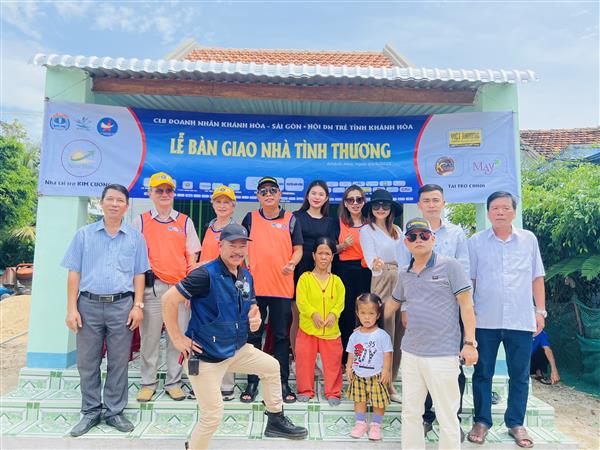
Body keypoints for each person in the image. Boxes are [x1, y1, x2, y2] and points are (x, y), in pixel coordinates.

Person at [161, 224, 308, 450]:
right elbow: (168, 300)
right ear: (220, 245)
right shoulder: (205, 274)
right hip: (206, 357)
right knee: (212, 416)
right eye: (232, 245)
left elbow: (252, 306)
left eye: (242, 246)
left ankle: (275, 419)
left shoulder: (245, 275)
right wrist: (177, 338)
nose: (238, 251)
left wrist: (255, 316)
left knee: (271, 366)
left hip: (236, 349)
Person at [62, 184, 150, 437]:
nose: (114, 204)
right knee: (87, 361)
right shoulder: (84, 235)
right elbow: (74, 273)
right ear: (101, 203)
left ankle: (114, 411)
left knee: (119, 361)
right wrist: (71, 308)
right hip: (88, 305)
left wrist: (138, 306)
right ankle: (91, 411)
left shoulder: (135, 238)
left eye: (119, 200)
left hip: (122, 305)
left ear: (126, 205)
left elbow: (139, 274)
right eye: (110, 199)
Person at [386, 218, 478, 449]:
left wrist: (470, 343)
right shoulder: (405, 274)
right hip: (411, 353)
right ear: (406, 242)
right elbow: (392, 304)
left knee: (447, 416)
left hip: (443, 354)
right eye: (413, 236)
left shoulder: (450, 266)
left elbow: (466, 306)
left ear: (433, 239)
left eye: (424, 235)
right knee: (410, 413)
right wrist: (364, 315)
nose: (418, 240)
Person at [467, 191, 546, 448]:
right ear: (488, 212)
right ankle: (482, 421)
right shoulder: (476, 242)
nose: (500, 212)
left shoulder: (528, 239)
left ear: (514, 211)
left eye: (505, 207)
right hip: (485, 320)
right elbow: (471, 280)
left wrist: (540, 311)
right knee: (482, 373)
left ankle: (516, 423)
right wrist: (468, 315)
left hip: (521, 319)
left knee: (520, 375)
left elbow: (537, 277)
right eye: (495, 208)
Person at [133, 172, 201, 403]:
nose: (164, 194)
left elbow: (191, 258)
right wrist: (137, 297)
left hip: (179, 290)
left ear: (174, 193)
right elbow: (135, 259)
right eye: (159, 190)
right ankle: (148, 383)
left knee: (177, 338)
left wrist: (189, 290)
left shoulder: (185, 221)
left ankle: (174, 382)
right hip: (152, 288)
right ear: (150, 193)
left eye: (168, 190)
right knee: (149, 338)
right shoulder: (141, 221)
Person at [241, 176, 303, 403]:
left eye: (272, 191)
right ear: (258, 196)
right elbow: (240, 246)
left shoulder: (290, 219)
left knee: (281, 337)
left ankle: (282, 382)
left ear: (279, 195)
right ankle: (252, 381)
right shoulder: (250, 218)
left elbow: (298, 249)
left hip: (282, 289)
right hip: (255, 289)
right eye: (263, 191)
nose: (268, 194)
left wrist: (292, 263)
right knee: (253, 335)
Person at [416, 183, 470, 436]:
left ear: (443, 203)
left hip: (450, 309)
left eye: (435, 200)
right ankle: (425, 417)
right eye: (426, 201)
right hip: (421, 311)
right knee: (422, 365)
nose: (431, 205)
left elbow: (465, 270)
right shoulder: (413, 232)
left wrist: (464, 307)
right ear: (419, 205)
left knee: (452, 366)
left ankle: (452, 420)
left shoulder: (456, 233)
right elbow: (406, 271)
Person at [359, 188, 410, 402]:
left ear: (391, 209)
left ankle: (391, 382)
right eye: (377, 205)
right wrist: (378, 267)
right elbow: (371, 259)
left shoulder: (397, 230)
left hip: (400, 278)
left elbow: (405, 258)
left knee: (398, 334)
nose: (381, 209)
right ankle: (376, 383)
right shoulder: (367, 230)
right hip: (381, 279)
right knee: (381, 333)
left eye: (385, 205)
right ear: (371, 208)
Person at [198, 184, 238, 400]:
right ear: (212, 204)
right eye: (218, 202)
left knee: (225, 335)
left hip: (225, 288)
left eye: (226, 202)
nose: (222, 206)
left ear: (233, 206)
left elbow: (236, 259)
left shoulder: (236, 229)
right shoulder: (209, 227)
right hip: (205, 289)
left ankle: (227, 384)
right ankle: (206, 383)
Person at [295, 237, 345, 406]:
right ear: (314, 255)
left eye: (327, 254)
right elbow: (301, 301)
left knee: (333, 362)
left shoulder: (337, 281)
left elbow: (340, 302)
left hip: (330, 330)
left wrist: (333, 314)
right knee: (304, 360)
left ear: (332, 257)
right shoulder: (305, 278)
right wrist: (313, 314)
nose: (324, 257)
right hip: (308, 328)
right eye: (320, 253)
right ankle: (305, 390)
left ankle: (333, 392)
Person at [291, 180, 337, 357]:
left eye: (321, 194)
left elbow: (331, 249)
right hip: (299, 268)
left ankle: (316, 357)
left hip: (322, 271)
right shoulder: (296, 217)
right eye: (314, 193)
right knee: (298, 315)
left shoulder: (330, 222)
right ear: (307, 196)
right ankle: (297, 356)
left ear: (326, 198)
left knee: (321, 314)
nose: (317, 197)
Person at [345, 293, 393, 441]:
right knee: (359, 400)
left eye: (371, 313)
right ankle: (361, 423)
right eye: (363, 313)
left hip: (377, 375)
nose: (367, 317)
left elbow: (387, 354)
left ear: (378, 315)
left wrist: (386, 371)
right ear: (357, 313)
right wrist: (348, 367)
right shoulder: (355, 335)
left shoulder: (382, 335)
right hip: (358, 375)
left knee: (378, 402)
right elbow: (351, 353)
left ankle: (376, 425)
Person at [334, 185, 372, 365]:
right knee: (346, 315)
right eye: (351, 199)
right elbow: (326, 249)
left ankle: (365, 357)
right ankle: (344, 359)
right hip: (345, 271)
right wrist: (342, 246)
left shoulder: (371, 223)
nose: (355, 203)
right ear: (345, 203)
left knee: (366, 312)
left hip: (367, 272)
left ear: (364, 202)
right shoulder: (338, 223)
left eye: (359, 199)